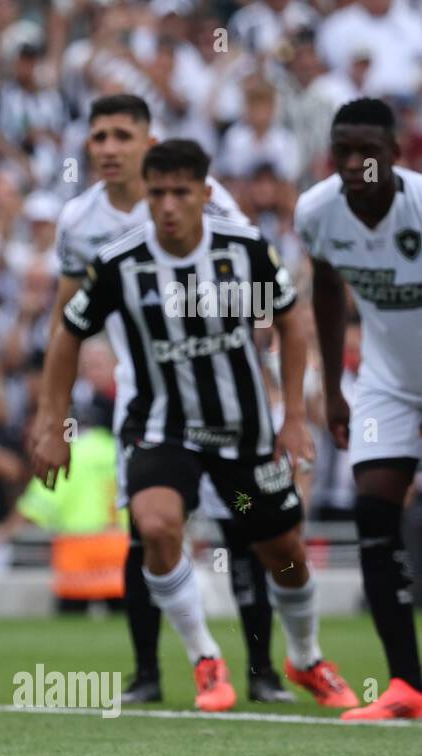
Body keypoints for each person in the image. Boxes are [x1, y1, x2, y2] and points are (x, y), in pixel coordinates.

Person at [33, 138, 352, 714]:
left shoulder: (243, 250)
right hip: (162, 426)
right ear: (147, 197)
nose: (169, 205)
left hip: (245, 432)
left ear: (206, 194)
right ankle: (205, 657)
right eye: (158, 194)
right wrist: (52, 422)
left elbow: (291, 322)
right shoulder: (120, 264)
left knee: (284, 551)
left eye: (182, 192)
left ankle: (305, 658)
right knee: (154, 526)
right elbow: (67, 335)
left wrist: (294, 418)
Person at [297, 96, 422, 719]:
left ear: (395, 155)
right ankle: (406, 685)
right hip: (387, 383)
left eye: (366, 151)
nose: (352, 162)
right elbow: (324, 287)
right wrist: (335, 386)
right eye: (341, 149)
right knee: (374, 510)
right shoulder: (317, 212)